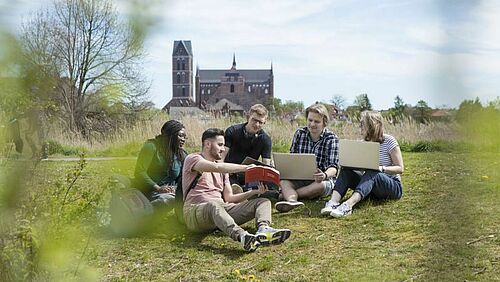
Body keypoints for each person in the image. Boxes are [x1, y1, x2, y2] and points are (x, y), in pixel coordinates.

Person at [182, 128, 291, 251]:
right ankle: (242, 236)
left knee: (263, 202)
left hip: (221, 209)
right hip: (195, 212)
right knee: (212, 205)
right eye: (220, 145)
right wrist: (245, 168)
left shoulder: (223, 172)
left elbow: (230, 198)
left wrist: (254, 192)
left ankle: (264, 229)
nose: (223, 149)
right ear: (207, 144)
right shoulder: (193, 159)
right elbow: (216, 167)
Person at [323, 110, 404, 217]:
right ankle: (333, 203)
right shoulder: (362, 144)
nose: (360, 127)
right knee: (346, 169)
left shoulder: (389, 141)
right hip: (371, 187)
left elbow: (400, 168)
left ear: (372, 126)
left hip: (392, 186)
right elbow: (361, 170)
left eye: (362, 124)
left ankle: (348, 205)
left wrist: (381, 168)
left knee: (373, 171)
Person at [275, 103, 339, 213]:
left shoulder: (331, 138)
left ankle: (288, 196)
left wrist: (324, 175)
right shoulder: (300, 133)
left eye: (317, 122)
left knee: (321, 186)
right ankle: (292, 201)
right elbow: (292, 158)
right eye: (310, 120)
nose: (312, 124)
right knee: (284, 182)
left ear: (324, 123)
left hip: (320, 181)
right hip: (300, 178)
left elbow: (334, 167)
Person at [134, 120, 187, 209]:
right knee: (169, 200)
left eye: (185, 137)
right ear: (170, 135)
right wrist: (158, 188)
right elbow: (139, 173)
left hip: (171, 192)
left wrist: (176, 189)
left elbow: (182, 178)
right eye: (180, 136)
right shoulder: (151, 147)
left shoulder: (182, 154)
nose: (183, 139)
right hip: (150, 191)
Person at [221, 104, 272, 190]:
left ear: (265, 122)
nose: (256, 124)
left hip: (250, 174)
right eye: (254, 120)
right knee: (231, 182)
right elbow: (221, 157)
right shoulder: (232, 131)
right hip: (231, 171)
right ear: (248, 117)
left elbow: (266, 164)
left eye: (260, 122)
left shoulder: (265, 139)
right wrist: (223, 170)